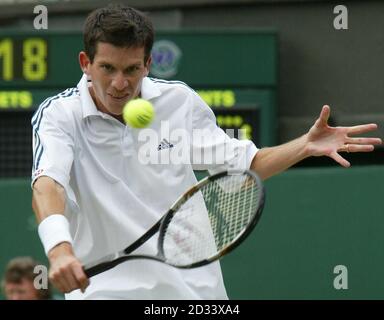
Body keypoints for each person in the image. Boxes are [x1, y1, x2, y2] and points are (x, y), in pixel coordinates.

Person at [31, 4, 382, 300]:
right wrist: (59, 248)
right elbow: (49, 185)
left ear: (148, 64)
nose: (120, 84)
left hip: (194, 292)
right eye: (107, 68)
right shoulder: (59, 116)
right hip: (104, 291)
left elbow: (246, 164)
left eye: (131, 69)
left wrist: (305, 146)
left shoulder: (178, 102)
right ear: (85, 62)